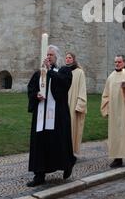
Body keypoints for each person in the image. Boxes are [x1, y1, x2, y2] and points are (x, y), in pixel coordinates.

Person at [27, 45, 76, 186]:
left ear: (57, 57)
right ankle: (39, 175)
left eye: (51, 55)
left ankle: (67, 164)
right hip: (41, 115)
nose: (48, 57)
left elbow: (64, 83)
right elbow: (31, 88)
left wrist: (50, 71)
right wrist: (35, 94)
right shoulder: (40, 73)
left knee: (59, 141)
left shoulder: (64, 70)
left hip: (58, 115)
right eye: (47, 54)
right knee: (40, 142)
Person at [101, 55, 125, 168]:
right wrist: (107, 108)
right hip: (115, 111)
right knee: (116, 134)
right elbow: (106, 94)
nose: (117, 64)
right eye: (115, 62)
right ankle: (118, 159)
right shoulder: (111, 77)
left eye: (119, 62)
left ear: (124, 62)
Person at [65, 52, 87, 155]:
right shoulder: (63, 71)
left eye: (69, 58)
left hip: (73, 104)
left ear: (73, 59)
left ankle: (71, 151)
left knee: (72, 128)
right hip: (63, 103)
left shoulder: (79, 72)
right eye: (66, 58)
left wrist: (79, 105)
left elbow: (82, 89)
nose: (67, 59)